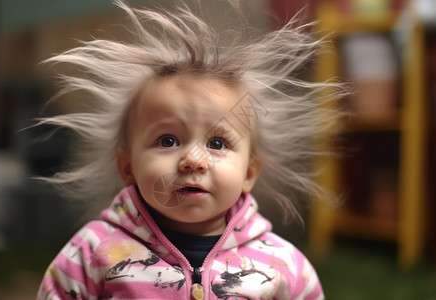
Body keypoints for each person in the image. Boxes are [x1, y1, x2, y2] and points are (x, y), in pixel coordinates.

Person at [37, 1, 343, 299]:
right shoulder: (92, 253)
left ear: (249, 173)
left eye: (217, 144)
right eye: (168, 141)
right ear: (128, 167)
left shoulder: (283, 267)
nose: (193, 161)